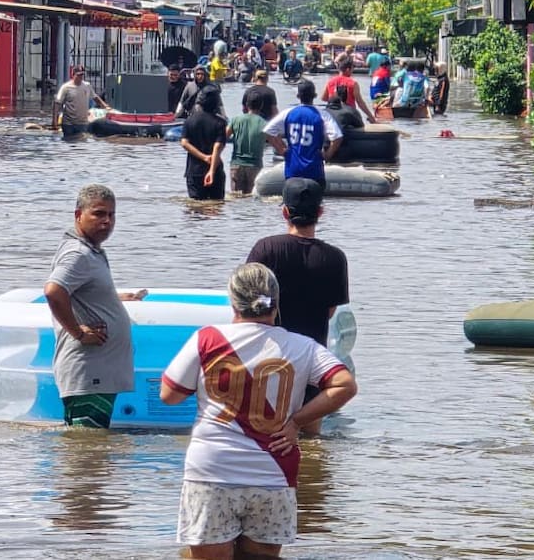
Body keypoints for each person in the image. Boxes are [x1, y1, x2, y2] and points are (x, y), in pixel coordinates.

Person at [160, 262, 357, 560]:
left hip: (213, 471)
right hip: (273, 475)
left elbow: (169, 395)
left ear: (232, 301)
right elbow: (344, 385)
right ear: (276, 304)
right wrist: (296, 421)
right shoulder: (302, 346)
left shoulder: (207, 339)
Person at [246, 178, 350, 433]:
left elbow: (247, 305)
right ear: (320, 213)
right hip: (312, 359)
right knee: (309, 438)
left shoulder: (266, 249)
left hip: (268, 356)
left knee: (264, 435)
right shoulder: (335, 258)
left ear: (284, 212)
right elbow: (330, 311)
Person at [43, 185, 147, 428]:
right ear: (78, 215)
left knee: (90, 453)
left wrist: (113, 298)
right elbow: (53, 291)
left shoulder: (90, 251)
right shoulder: (78, 253)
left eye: (111, 215)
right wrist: (78, 332)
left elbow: (79, 291)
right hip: (88, 372)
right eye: (99, 214)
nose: (107, 221)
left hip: (98, 371)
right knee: (84, 453)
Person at [263, 79, 343, 187]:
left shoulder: (288, 113)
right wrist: (327, 155)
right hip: (314, 171)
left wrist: (282, 149)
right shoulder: (322, 115)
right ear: (314, 96)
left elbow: (268, 131)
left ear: (298, 96)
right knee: (316, 202)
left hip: (293, 170)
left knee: (290, 202)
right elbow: (337, 137)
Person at [180, 86, 228, 200]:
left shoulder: (189, 121)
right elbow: (217, 147)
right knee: (216, 209)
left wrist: (204, 157)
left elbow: (184, 143)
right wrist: (211, 170)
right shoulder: (220, 123)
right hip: (215, 170)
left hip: (194, 172)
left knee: (195, 209)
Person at [226, 92, 267, 195]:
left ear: (247, 105)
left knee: (236, 198)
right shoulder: (264, 124)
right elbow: (276, 144)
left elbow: (222, 138)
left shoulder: (235, 120)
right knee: (251, 199)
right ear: (261, 106)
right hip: (255, 166)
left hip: (236, 165)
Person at [53, 65, 111, 137]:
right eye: (79, 75)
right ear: (73, 75)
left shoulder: (87, 86)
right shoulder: (66, 87)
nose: (80, 77)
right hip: (68, 124)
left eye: (82, 75)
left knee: (81, 144)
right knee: (68, 143)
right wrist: (55, 121)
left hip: (82, 123)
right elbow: (57, 103)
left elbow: (95, 97)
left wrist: (105, 106)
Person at [321, 58, 376, 123]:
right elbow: (360, 103)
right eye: (352, 69)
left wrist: (335, 99)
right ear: (347, 69)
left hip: (333, 114)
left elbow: (323, 98)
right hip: (349, 115)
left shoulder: (330, 81)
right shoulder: (353, 83)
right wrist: (371, 117)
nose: (352, 72)